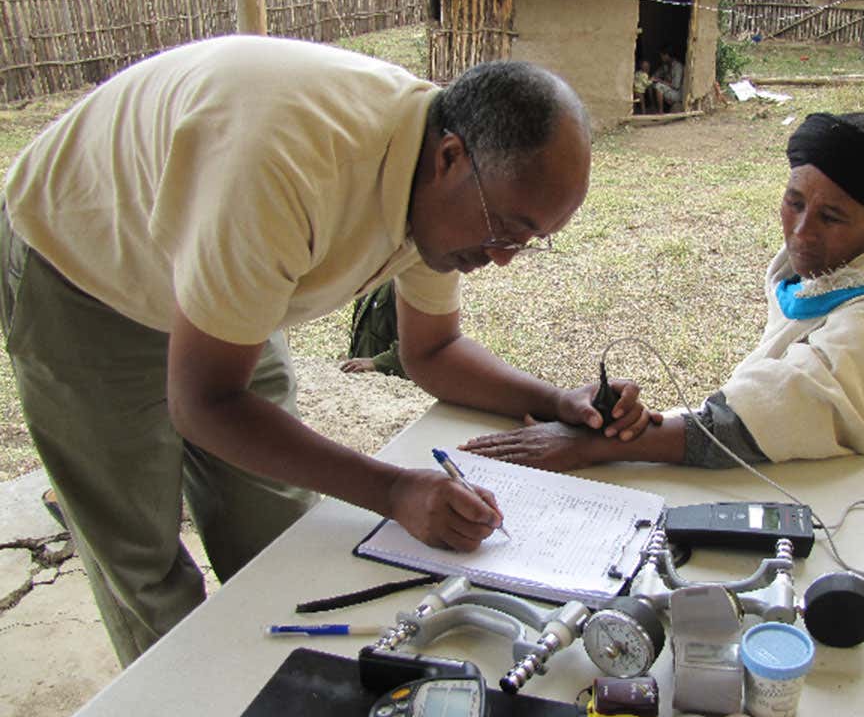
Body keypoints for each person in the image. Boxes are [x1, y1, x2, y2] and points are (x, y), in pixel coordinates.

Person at [0, 35, 653, 665]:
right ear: (449, 158)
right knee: (144, 566)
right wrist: (395, 490)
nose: (505, 258)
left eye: (531, 240)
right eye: (507, 229)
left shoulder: (443, 187)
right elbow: (204, 403)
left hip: (213, 252)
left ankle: (278, 679)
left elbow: (434, 351)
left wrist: (554, 400)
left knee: (275, 527)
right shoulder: (285, 169)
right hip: (85, 269)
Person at [461, 112, 864, 474]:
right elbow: (770, 402)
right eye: (793, 202)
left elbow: (781, 415)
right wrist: (636, 427)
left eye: (831, 216)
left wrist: (594, 446)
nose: (800, 232)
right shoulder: (828, 270)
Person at [341, 279, 406, 376]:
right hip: (364, 379)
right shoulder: (370, 279)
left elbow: (421, 342)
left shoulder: (405, 281)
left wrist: (377, 363)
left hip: (393, 382)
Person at [649, 46, 684, 114]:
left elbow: (676, 86)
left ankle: (660, 111)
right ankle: (653, 107)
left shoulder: (677, 67)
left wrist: (659, 80)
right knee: (651, 84)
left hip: (677, 93)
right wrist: (652, 78)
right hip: (670, 89)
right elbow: (657, 73)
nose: (661, 58)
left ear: (667, 55)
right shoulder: (666, 66)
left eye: (662, 56)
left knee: (659, 86)